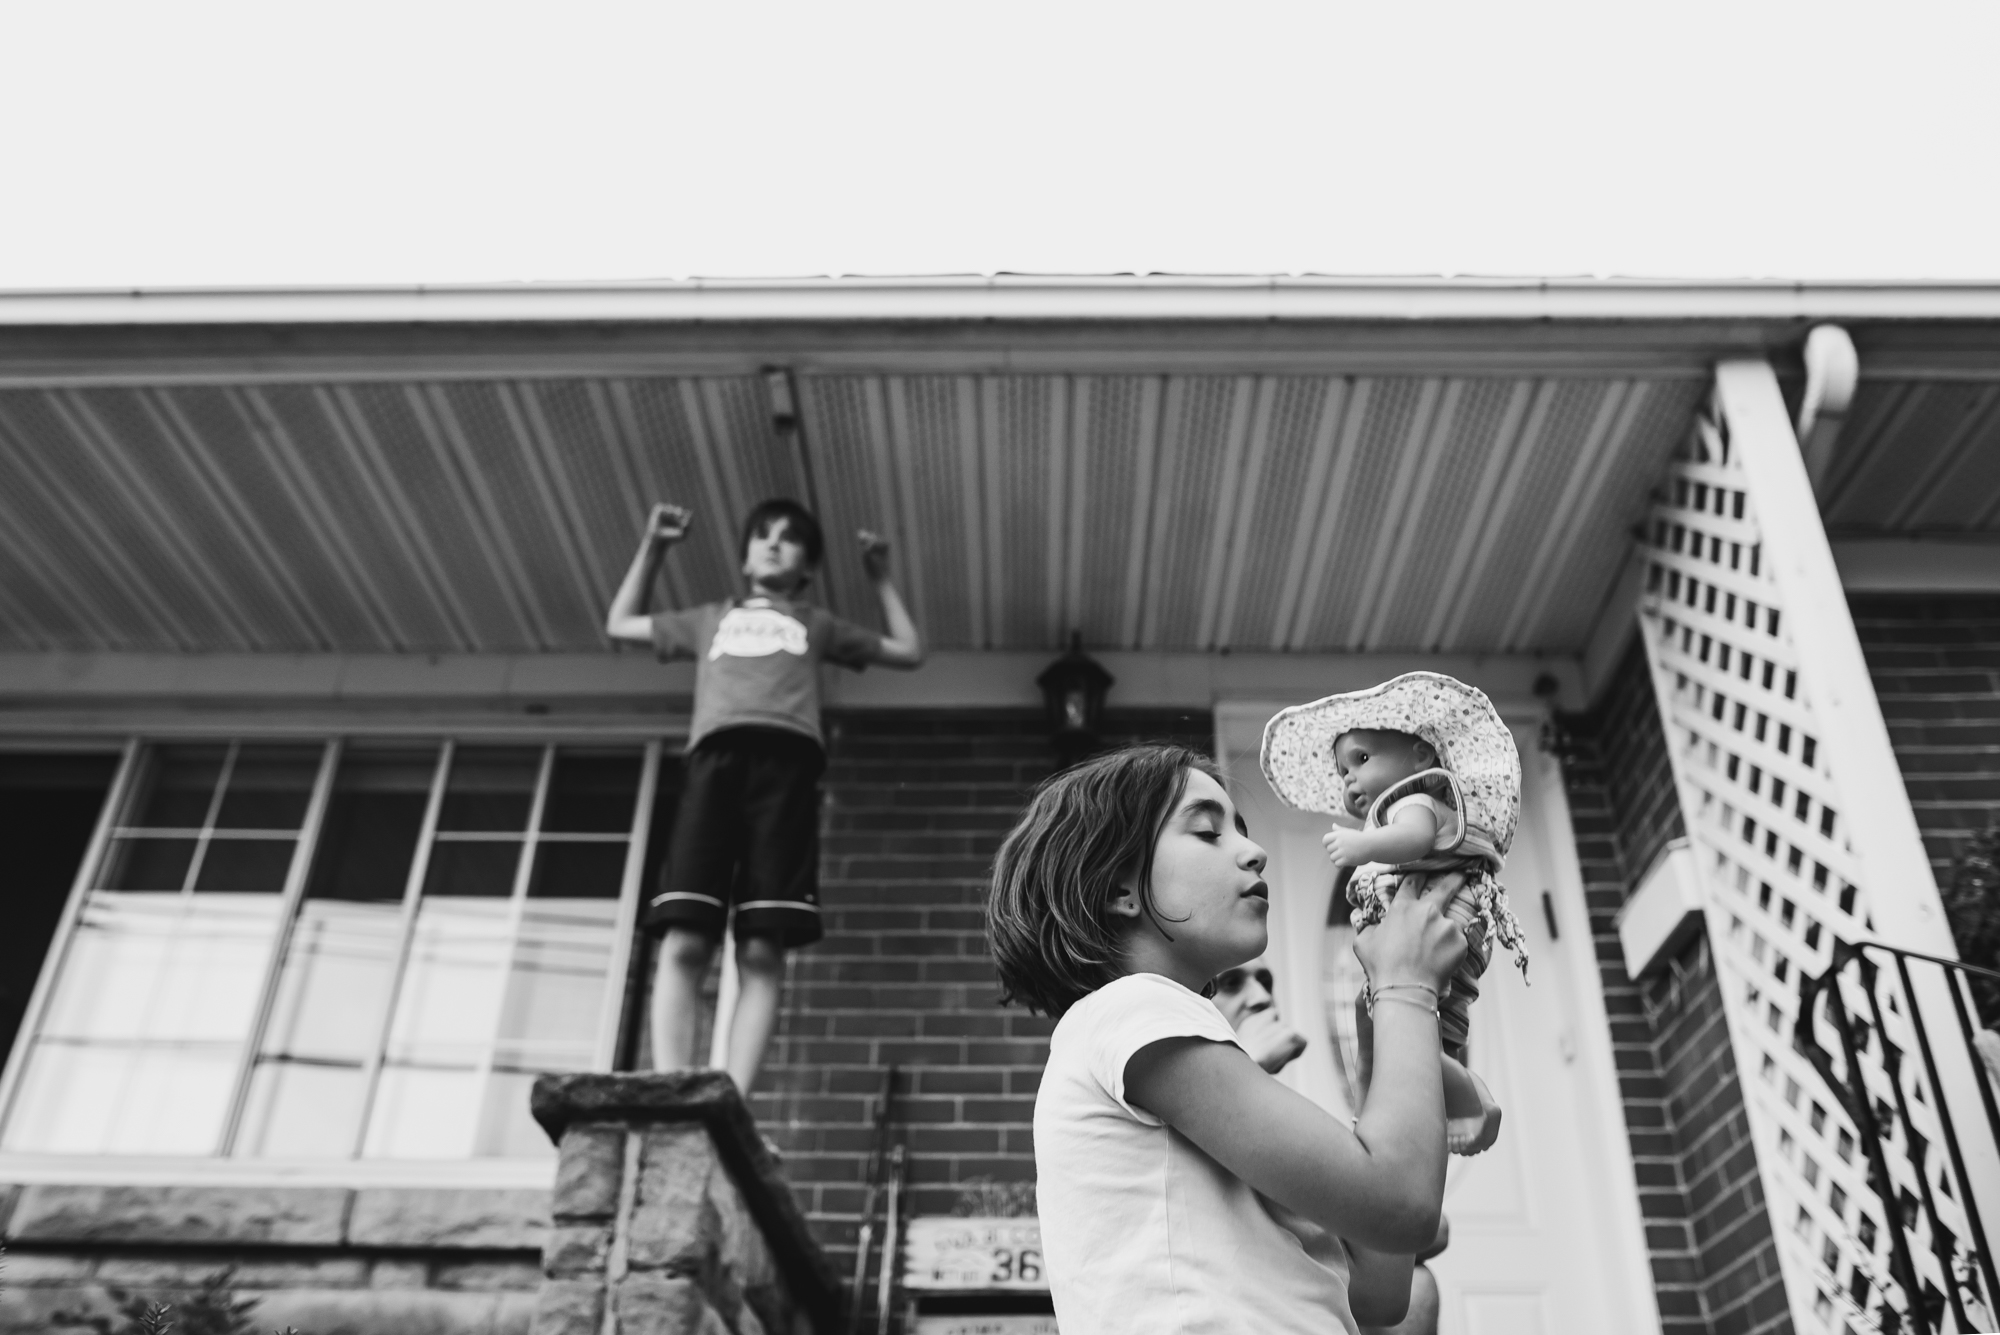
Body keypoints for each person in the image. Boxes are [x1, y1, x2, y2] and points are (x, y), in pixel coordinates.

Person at [987, 744, 1463, 1335]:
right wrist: (1406, 986)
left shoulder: (1186, 1061)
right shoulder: (1130, 1009)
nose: (1255, 851)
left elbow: (1378, 1289)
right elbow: (1403, 1206)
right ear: (1121, 890)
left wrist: (1399, 1035)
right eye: (1208, 832)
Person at [606, 498, 924, 1093]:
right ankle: (674, 1090)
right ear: (747, 556)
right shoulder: (709, 617)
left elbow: (908, 651)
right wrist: (654, 547)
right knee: (687, 935)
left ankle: (733, 1103)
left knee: (760, 947)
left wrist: (880, 577)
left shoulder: (816, 621)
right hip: (714, 765)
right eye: (763, 535)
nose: (775, 543)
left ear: (806, 567)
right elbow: (620, 624)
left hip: (786, 771)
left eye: (791, 538)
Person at [1263, 671, 1523, 1152]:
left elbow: (1414, 839)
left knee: (1415, 1020)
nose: (1351, 778)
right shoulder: (1402, 807)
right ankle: (1413, 1103)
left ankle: (1465, 1096)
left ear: (1422, 755)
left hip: (1449, 922)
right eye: (1343, 772)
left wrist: (1363, 845)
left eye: (1361, 759)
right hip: (1442, 925)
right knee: (1408, 1020)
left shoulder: (1418, 801)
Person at [1214, 957, 1447, 1335]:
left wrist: (1374, 1065)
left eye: (1265, 981)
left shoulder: (1287, 1106)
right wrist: (1245, 1063)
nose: (1261, 998)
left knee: (1416, 1286)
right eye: (1231, 983)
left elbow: (1421, 1222)